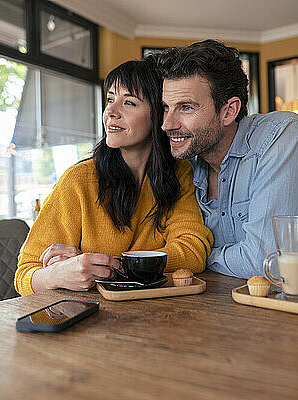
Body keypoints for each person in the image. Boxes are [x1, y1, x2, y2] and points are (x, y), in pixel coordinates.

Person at [15, 58, 213, 295]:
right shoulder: (78, 181)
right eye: (109, 100)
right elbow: (26, 275)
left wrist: (110, 266)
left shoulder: (178, 174)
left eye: (129, 102)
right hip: (88, 319)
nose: (110, 111)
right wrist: (59, 273)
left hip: (160, 315)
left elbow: (193, 251)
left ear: (159, 115)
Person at [157, 40, 298, 278]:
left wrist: (195, 255)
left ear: (229, 111)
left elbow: (266, 263)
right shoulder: (186, 165)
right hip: (219, 308)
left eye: (186, 108)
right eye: (166, 107)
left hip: (297, 307)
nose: (167, 124)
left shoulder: (282, 135)